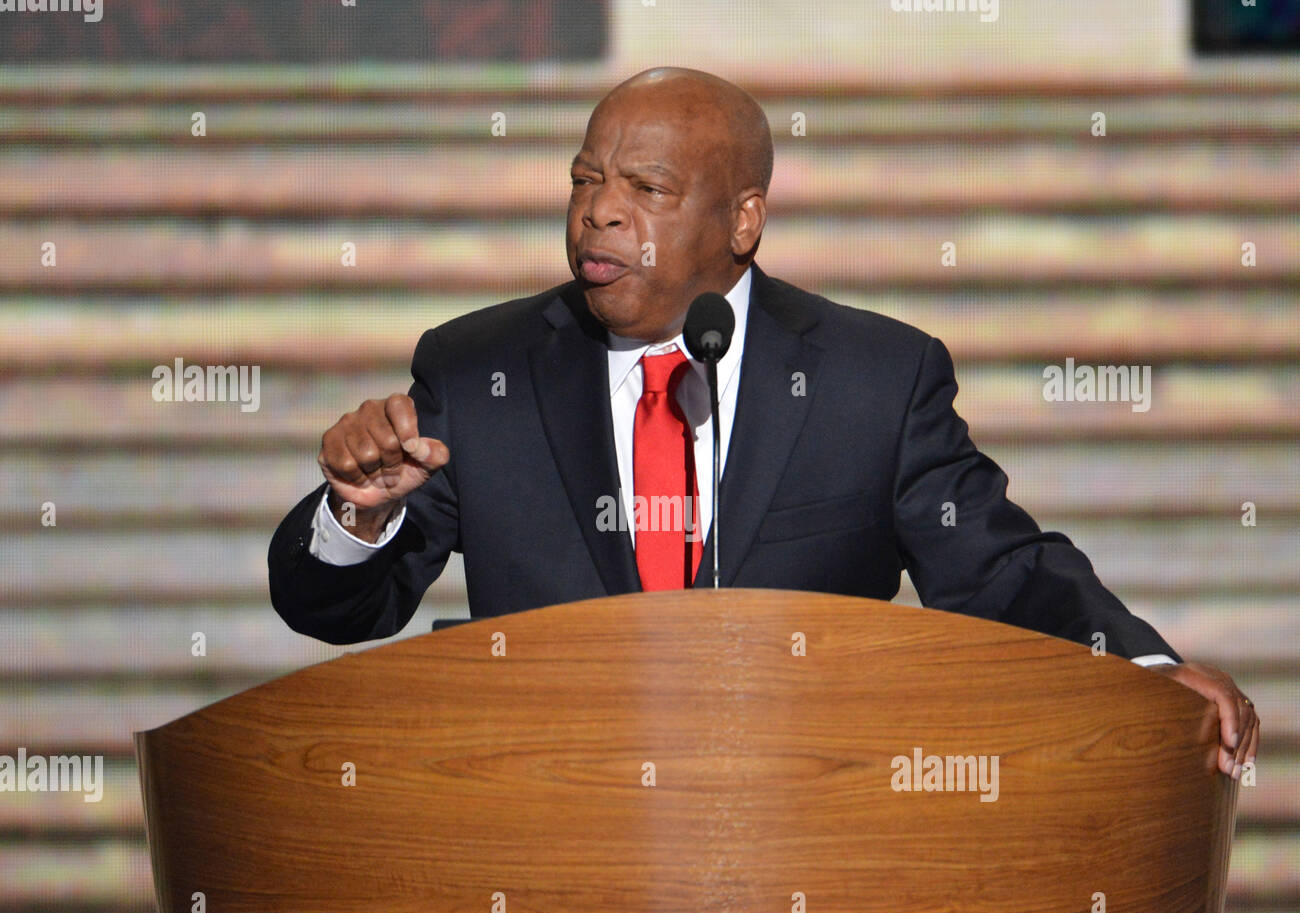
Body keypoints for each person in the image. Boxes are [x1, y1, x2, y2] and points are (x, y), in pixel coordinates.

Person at [268, 67, 1258, 780]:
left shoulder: (871, 378)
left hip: (807, 854)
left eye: (643, 189)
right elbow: (336, 611)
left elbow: (997, 570)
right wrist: (357, 519)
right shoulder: (479, 369)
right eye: (583, 180)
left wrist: (1143, 667)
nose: (598, 213)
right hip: (545, 856)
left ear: (742, 221)